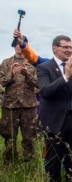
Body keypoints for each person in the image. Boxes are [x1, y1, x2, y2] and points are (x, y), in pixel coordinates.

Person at [36, 35, 72, 181]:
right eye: (65, 47)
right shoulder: (44, 68)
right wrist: (65, 77)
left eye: (70, 47)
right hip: (54, 124)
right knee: (53, 163)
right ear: (55, 48)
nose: (69, 50)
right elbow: (45, 91)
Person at [0, 35, 38, 163]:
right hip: (10, 106)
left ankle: (29, 163)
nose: (18, 46)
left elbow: (38, 84)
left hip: (29, 106)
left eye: (20, 43)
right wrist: (11, 73)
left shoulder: (33, 63)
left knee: (29, 137)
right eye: (15, 44)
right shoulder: (6, 63)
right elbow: (2, 82)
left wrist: (27, 75)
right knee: (9, 137)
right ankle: (10, 164)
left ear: (25, 45)